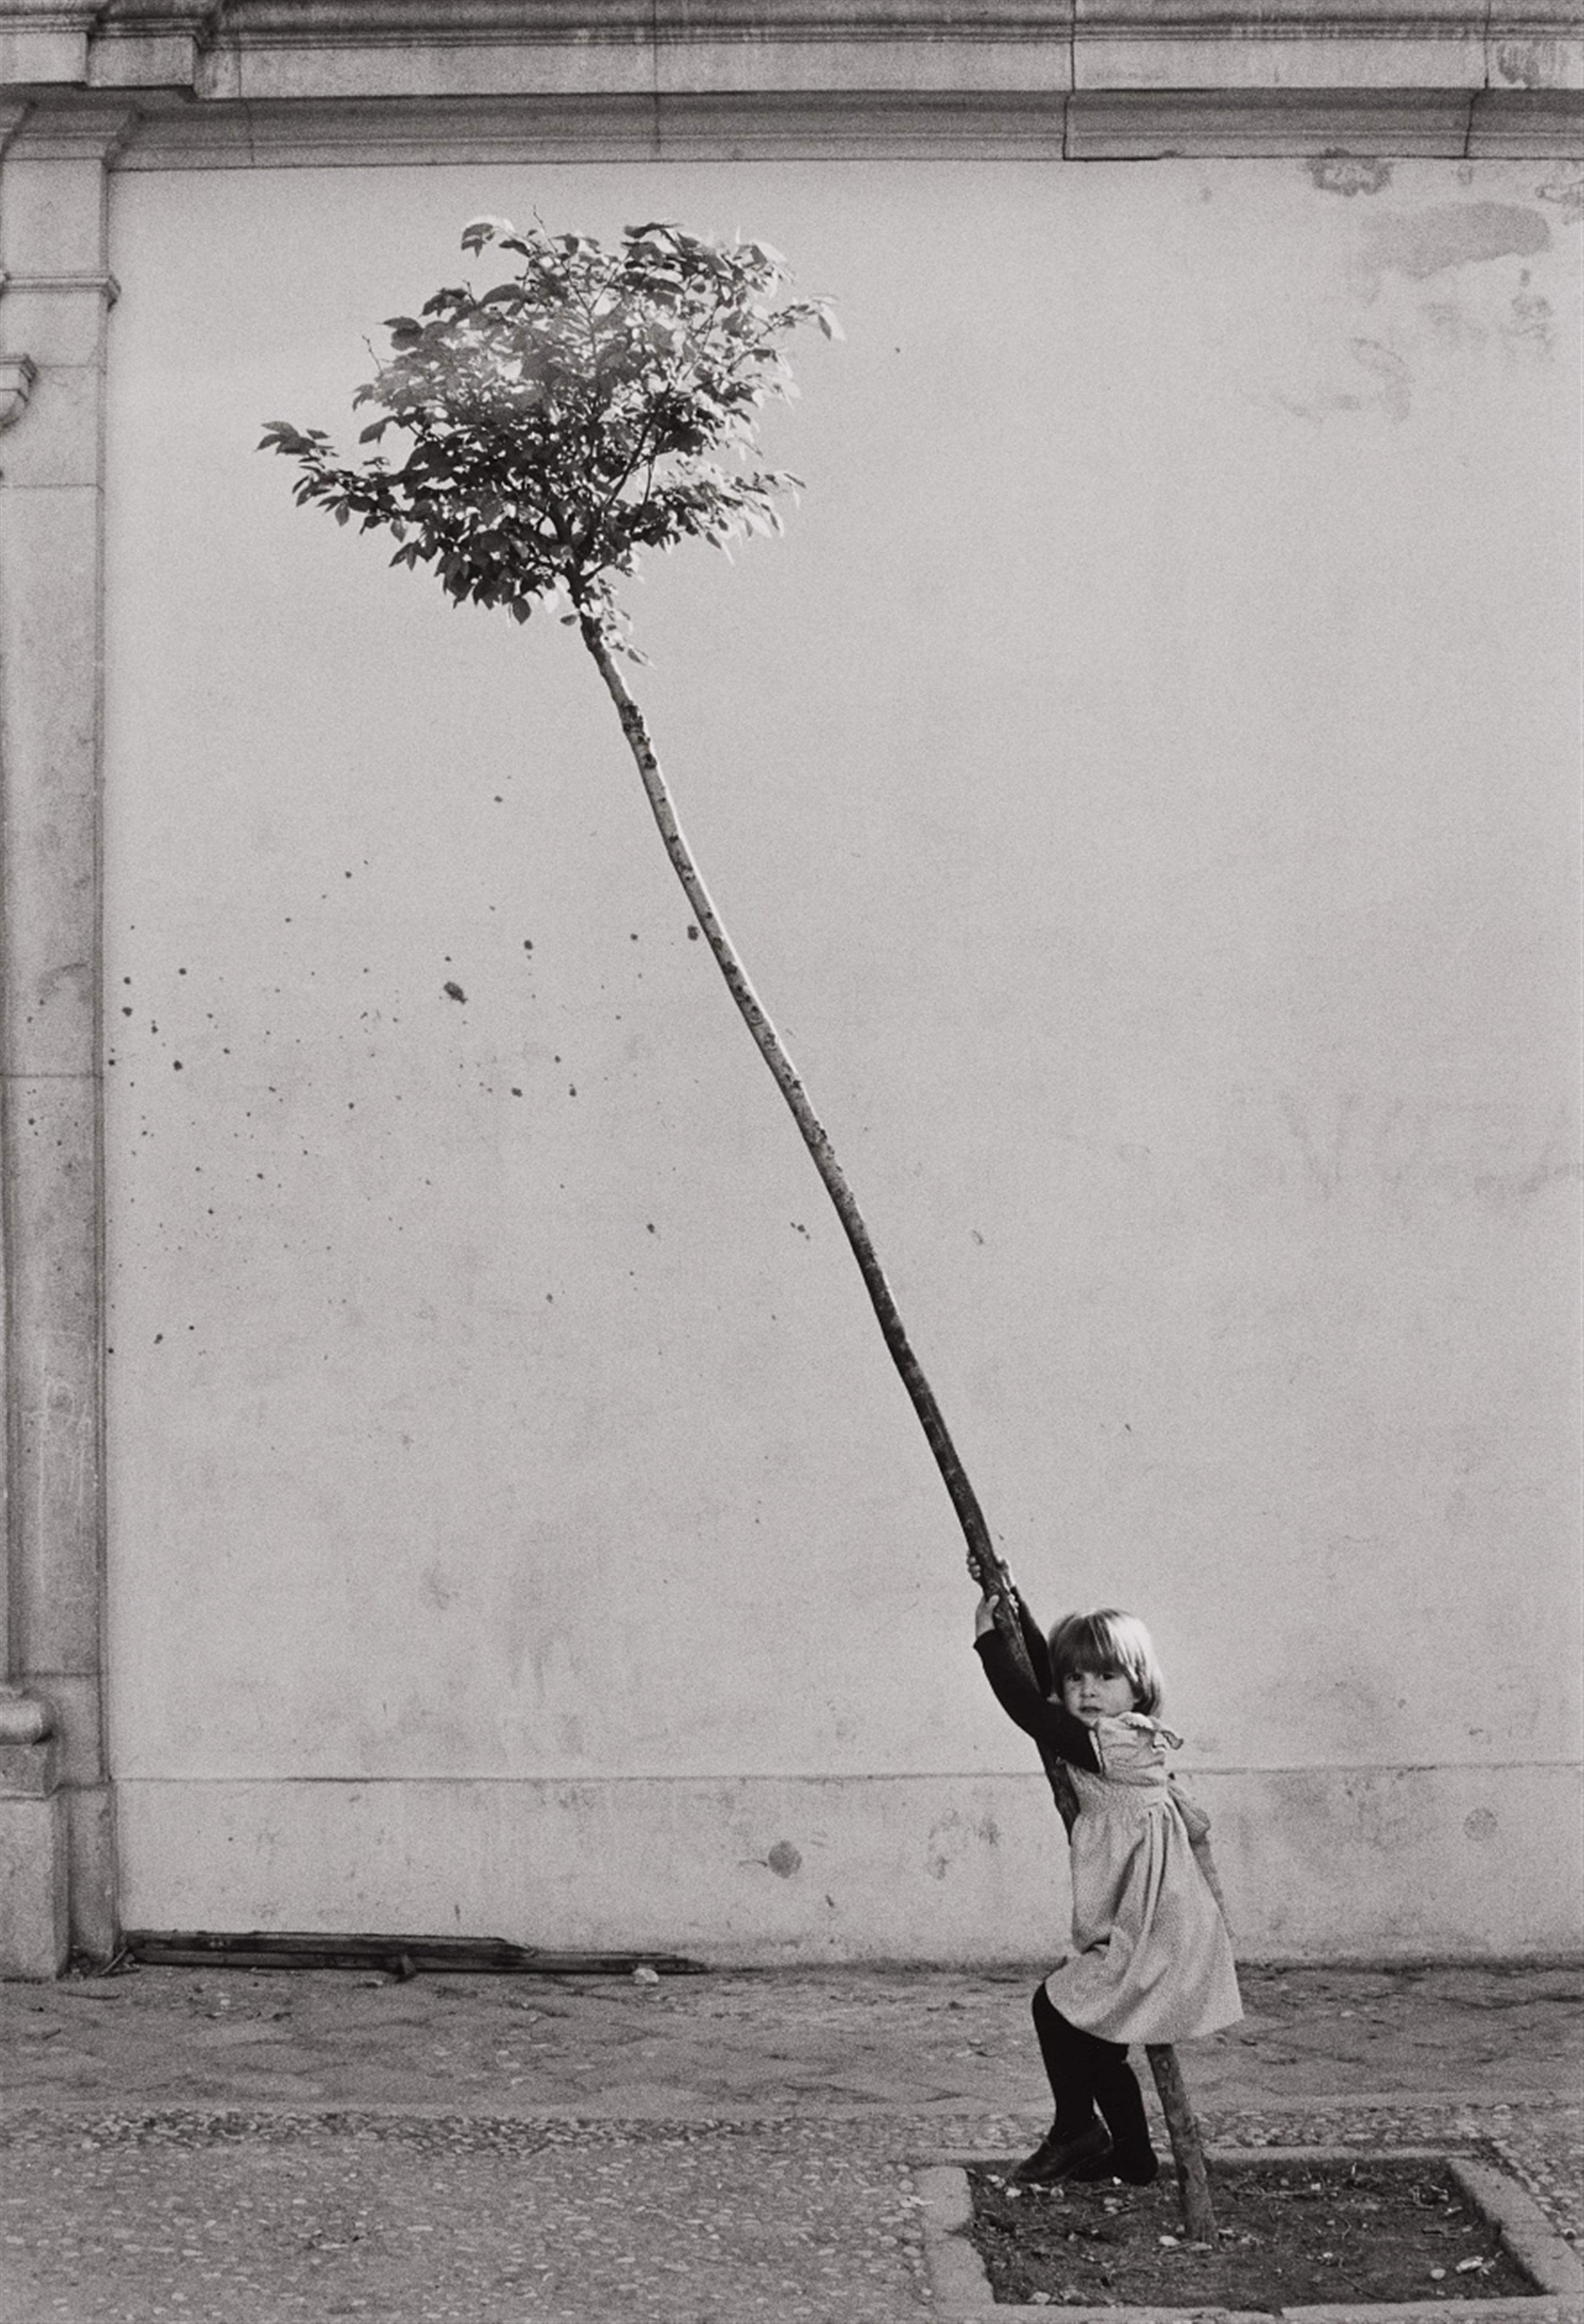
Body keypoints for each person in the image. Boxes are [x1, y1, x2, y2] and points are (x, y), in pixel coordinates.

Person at [973, 1576, 1242, 2187]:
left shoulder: (1118, 1741)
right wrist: (1011, 1602)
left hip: (1157, 1925)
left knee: (1054, 2007)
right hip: (1142, 1913)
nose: (1087, 1690)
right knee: (1097, 2041)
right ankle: (1133, 2156)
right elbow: (1045, 1682)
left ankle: (1076, 2129)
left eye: (1106, 1677)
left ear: (1139, 1686)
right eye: (1077, 1678)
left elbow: (1030, 1709)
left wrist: (989, 1644)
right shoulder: (1099, 1731)